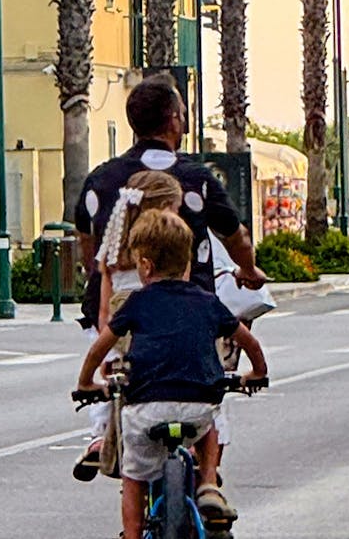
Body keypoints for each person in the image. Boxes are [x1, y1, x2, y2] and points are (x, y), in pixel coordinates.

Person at [73, 74, 266, 500]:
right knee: (209, 390)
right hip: (190, 314)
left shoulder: (101, 180)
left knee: (120, 385)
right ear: (176, 119)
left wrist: (100, 278)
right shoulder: (196, 179)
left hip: (114, 316)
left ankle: (103, 436)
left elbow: (86, 243)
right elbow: (235, 236)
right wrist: (249, 269)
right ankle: (207, 480)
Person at [76, 210, 269, 538]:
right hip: (197, 410)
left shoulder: (137, 303)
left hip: (146, 410)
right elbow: (248, 341)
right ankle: (208, 483)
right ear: (188, 264)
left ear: (145, 266)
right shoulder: (208, 302)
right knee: (210, 424)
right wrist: (256, 373)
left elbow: (99, 348)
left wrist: (86, 384)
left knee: (134, 475)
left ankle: (132, 533)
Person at [74, 170, 184, 481]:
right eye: (175, 209)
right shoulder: (173, 251)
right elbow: (182, 299)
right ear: (162, 208)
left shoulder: (114, 253)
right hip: (162, 337)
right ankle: (200, 464)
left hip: (122, 339)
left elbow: (104, 311)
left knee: (118, 390)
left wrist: (107, 352)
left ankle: (101, 440)